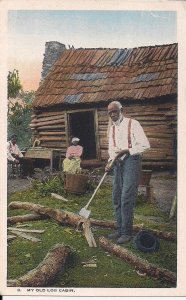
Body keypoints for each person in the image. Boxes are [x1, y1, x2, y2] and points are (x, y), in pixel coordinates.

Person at [105, 101, 150, 244]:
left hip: (132, 160)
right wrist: (110, 161)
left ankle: (126, 232)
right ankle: (119, 228)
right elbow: (112, 149)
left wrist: (127, 150)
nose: (112, 115)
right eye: (110, 113)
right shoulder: (111, 129)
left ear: (121, 110)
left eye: (115, 111)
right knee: (116, 196)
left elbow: (145, 145)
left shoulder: (133, 124)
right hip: (117, 163)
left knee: (126, 197)